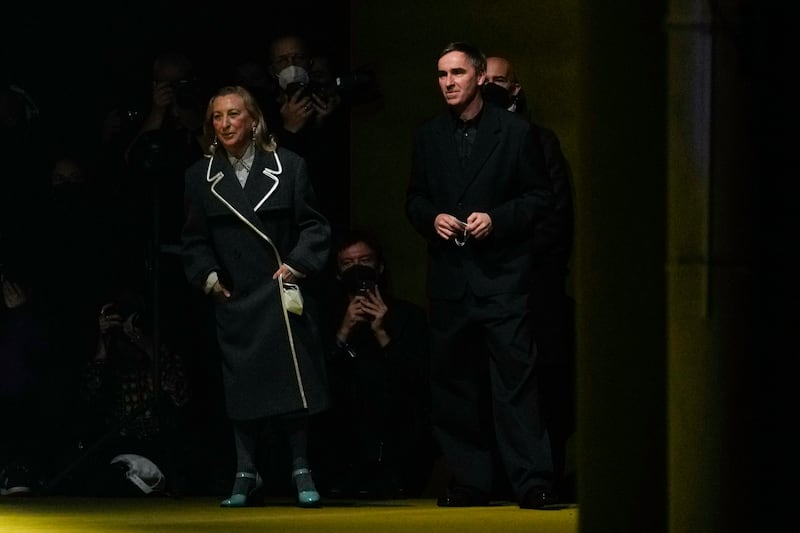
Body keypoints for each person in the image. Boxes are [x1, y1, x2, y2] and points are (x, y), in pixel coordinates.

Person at [405, 42, 557, 509]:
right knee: (455, 384)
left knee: (515, 385)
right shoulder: (429, 136)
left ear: (479, 78)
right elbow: (414, 199)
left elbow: (538, 198)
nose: (448, 83)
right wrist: (432, 219)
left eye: (456, 73)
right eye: (441, 75)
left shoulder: (514, 132)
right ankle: (472, 480)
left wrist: (497, 219)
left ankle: (532, 481)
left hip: (502, 277)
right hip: (452, 279)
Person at [181, 85, 331, 508]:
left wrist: (298, 263)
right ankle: (246, 470)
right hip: (237, 296)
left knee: (291, 385)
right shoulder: (200, 176)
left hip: (281, 292)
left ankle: (301, 466)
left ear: (253, 119)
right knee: (242, 387)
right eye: (217, 117)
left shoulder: (289, 166)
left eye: (233, 115)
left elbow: (316, 227)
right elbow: (193, 240)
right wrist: (209, 278)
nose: (225, 124)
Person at [483, 55, 577, 500]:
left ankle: (544, 478)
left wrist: (509, 251)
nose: (491, 89)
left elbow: (555, 218)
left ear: (515, 89)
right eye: (485, 81)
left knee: (543, 385)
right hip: (482, 286)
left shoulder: (541, 141)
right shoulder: (461, 142)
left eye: (499, 82)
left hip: (532, 287)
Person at [315, 229, 434, 498]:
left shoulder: (409, 316)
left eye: (364, 261)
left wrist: (382, 332)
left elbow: (417, 381)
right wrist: (344, 331)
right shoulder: (325, 318)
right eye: (348, 263)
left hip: (398, 441)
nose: (357, 269)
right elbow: (319, 380)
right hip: (342, 443)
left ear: (379, 267)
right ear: (337, 272)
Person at [265, 33, 350, 233]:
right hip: (284, 218)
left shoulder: (327, 103)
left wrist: (323, 125)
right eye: (282, 60)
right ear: (272, 70)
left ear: (309, 63)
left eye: (298, 58)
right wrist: (289, 130)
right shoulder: (262, 111)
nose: (291, 65)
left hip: (328, 211)